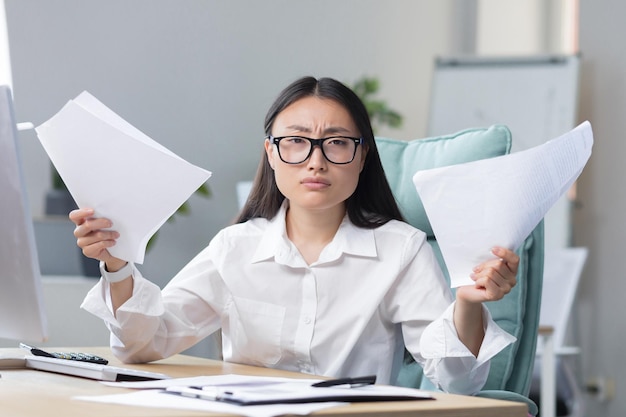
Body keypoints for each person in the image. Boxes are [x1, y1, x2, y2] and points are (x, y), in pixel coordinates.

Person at [71, 76, 519, 395]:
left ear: (363, 157)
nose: (315, 162)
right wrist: (116, 263)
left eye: (338, 142)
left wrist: (467, 301)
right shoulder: (236, 247)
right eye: (296, 141)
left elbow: (458, 380)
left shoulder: (401, 249)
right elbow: (142, 345)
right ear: (271, 152)